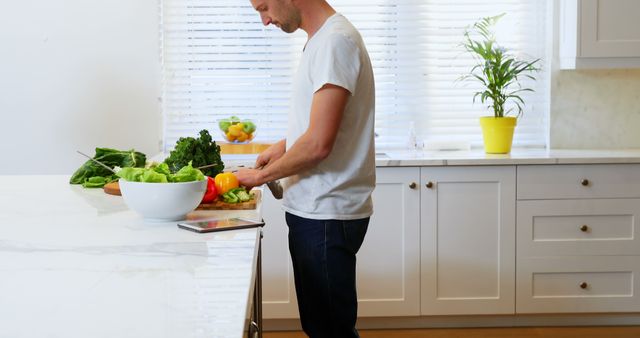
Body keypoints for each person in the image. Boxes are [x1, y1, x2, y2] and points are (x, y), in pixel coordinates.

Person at [237, 0, 376, 337]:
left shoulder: (335, 41)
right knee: (323, 325)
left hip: (326, 211)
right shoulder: (321, 40)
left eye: (264, 7)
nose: (264, 21)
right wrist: (281, 148)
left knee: (329, 329)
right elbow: (317, 128)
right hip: (317, 209)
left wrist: (258, 177)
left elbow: (318, 144)